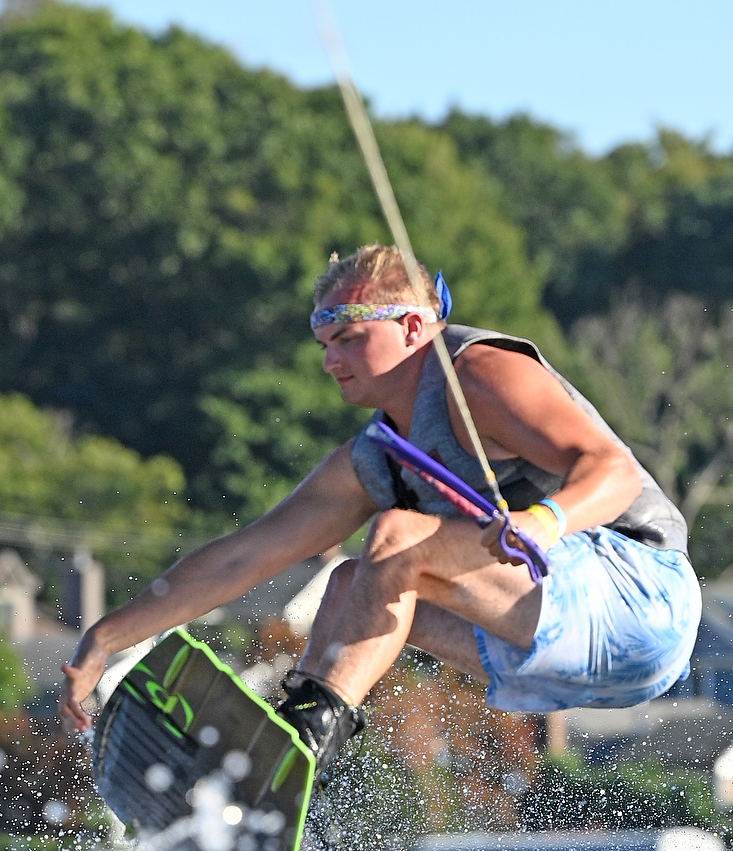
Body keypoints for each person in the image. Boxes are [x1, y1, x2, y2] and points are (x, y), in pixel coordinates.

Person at [59, 244, 700, 779]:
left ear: (413, 327)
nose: (329, 361)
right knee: (347, 586)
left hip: (644, 600)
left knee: (396, 537)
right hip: (562, 661)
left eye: (348, 338)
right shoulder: (378, 458)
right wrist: (107, 639)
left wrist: (545, 520)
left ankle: (307, 743)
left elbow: (614, 468)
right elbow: (243, 558)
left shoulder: (477, 376)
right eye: (322, 344)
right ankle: (289, 761)